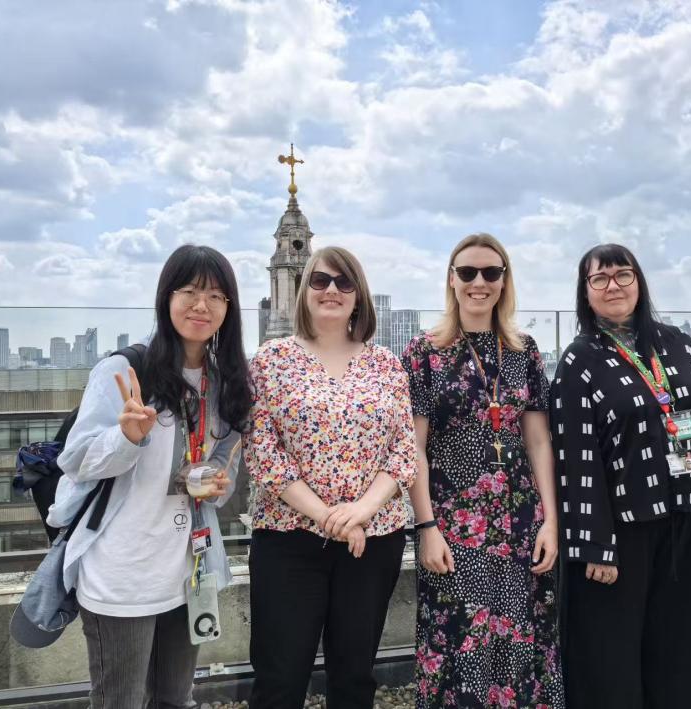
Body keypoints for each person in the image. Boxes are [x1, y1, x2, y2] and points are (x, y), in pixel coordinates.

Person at [54, 244, 252, 709]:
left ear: (229, 308)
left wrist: (215, 480)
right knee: (121, 701)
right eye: (190, 292)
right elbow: (76, 460)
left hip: (187, 572)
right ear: (166, 297)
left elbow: (220, 462)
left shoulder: (222, 382)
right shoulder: (124, 371)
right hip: (123, 574)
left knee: (175, 699)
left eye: (216, 296)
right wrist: (126, 437)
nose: (202, 306)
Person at [551, 243, 691, 709]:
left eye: (623, 274)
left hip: (687, 518)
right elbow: (575, 458)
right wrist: (596, 544)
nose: (613, 286)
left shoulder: (678, 344)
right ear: (585, 292)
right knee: (611, 652)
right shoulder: (579, 360)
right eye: (599, 278)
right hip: (622, 530)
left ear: (638, 281)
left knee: (682, 643)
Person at [243, 246, 417, 709]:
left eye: (344, 282)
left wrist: (361, 511)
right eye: (320, 280)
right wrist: (329, 518)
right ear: (305, 290)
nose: (332, 290)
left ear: (359, 295)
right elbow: (263, 452)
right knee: (280, 676)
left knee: (355, 675)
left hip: (372, 539)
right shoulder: (271, 359)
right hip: (289, 537)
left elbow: (403, 451)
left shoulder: (386, 364)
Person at [401, 233, 564, 708]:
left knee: (522, 638)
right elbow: (414, 449)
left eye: (491, 272)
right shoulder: (423, 353)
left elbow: (538, 441)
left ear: (504, 281)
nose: (479, 282)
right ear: (451, 280)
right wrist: (426, 526)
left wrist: (550, 521)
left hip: (520, 520)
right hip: (453, 524)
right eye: (467, 272)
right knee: (459, 639)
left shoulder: (524, 350)